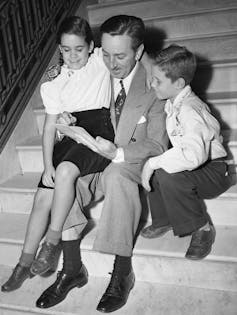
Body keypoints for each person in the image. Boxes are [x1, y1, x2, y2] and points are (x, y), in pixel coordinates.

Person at [35, 15, 168, 312]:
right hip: (93, 156)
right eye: (106, 54)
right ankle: (72, 270)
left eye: (120, 55)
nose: (112, 63)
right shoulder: (96, 69)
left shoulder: (154, 84)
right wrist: (66, 120)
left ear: (139, 51)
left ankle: (122, 272)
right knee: (63, 180)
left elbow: (158, 144)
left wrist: (117, 154)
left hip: (126, 161)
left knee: (118, 176)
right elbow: (68, 73)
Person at [1, 16, 114, 292]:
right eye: (65, 49)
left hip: (98, 134)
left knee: (66, 172)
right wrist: (46, 165)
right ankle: (24, 263)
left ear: (90, 46)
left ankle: (51, 243)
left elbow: (132, 46)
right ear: (59, 50)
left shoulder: (100, 60)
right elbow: (50, 126)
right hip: (71, 133)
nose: (73, 56)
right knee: (43, 194)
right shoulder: (53, 83)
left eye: (78, 48)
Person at [141, 44, 233, 260]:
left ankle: (202, 228)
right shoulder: (174, 102)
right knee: (156, 163)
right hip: (199, 169)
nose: (152, 83)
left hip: (213, 172)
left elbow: (193, 156)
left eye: (158, 80)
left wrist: (154, 163)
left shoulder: (190, 109)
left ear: (179, 83)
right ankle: (163, 219)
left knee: (162, 169)